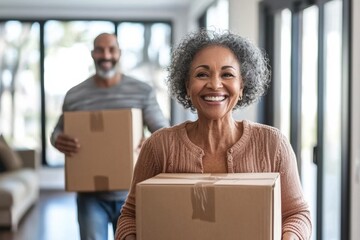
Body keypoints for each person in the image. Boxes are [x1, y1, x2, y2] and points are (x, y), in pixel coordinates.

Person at [115, 29, 312, 240]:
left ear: (242, 85)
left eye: (227, 74)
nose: (215, 84)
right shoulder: (159, 146)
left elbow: (297, 213)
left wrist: (290, 237)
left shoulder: (272, 144)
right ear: (187, 86)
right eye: (202, 74)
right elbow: (130, 216)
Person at [50, 33, 170, 240]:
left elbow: (162, 132)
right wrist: (58, 139)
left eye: (111, 49)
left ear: (119, 53)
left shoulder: (141, 91)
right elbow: (57, 132)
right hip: (90, 195)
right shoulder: (75, 95)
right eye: (100, 50)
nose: (106, 55)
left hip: (132, 193)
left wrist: (150, 142)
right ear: (92, 54)